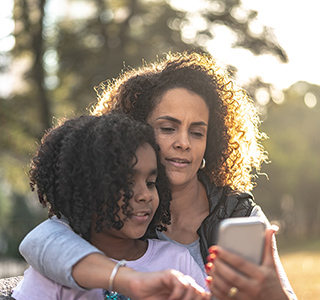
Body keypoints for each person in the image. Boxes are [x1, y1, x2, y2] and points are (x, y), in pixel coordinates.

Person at [19, 51, 297, 299]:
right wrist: (131, 280)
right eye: (168, 128)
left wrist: (273, 292)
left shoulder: (237, 214)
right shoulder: (111, 211)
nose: (184, 143)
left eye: (197, 132)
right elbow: (39, 242)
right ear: (136, 131)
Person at [12, 113, 210, 300]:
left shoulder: (177, 262)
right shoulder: (53, 270)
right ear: (85, 188)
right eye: (124, 183)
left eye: (151, 183)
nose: (145, 195)